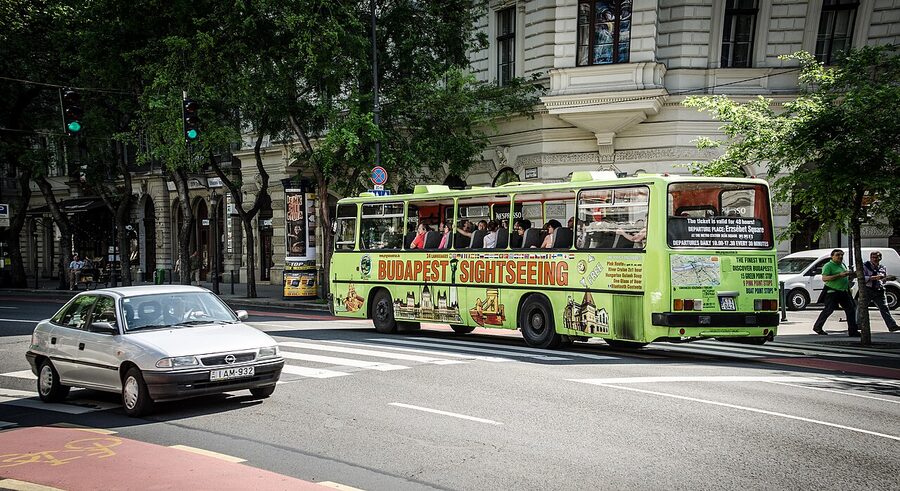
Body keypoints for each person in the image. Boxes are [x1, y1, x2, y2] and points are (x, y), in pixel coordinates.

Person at [812, 249, 859, 336]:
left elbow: (845, 276)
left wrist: (851, 275)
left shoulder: (842, 265)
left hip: (844, 291)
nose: (840, 257)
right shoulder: (828, 266)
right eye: (837, 255)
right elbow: (825, 278)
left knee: (851, 310)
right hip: (832, 291)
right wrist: (839, 275)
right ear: (832, 256)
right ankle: (817, 327)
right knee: (828, 310)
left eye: (841, 255)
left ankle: (853, 331)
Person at [863, 251, 899, 332]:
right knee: (862, 307)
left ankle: (892, 326)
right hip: (868, 289)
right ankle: (858, 325)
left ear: (880, 258)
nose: (875, 259)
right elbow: (862, 278)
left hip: (879, 289)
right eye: (873, 257)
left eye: (876, 257)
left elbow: (883, 279)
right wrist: (874, 277)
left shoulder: (882, 267)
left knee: (884, 308)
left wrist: (887, 278)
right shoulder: (865, 266)